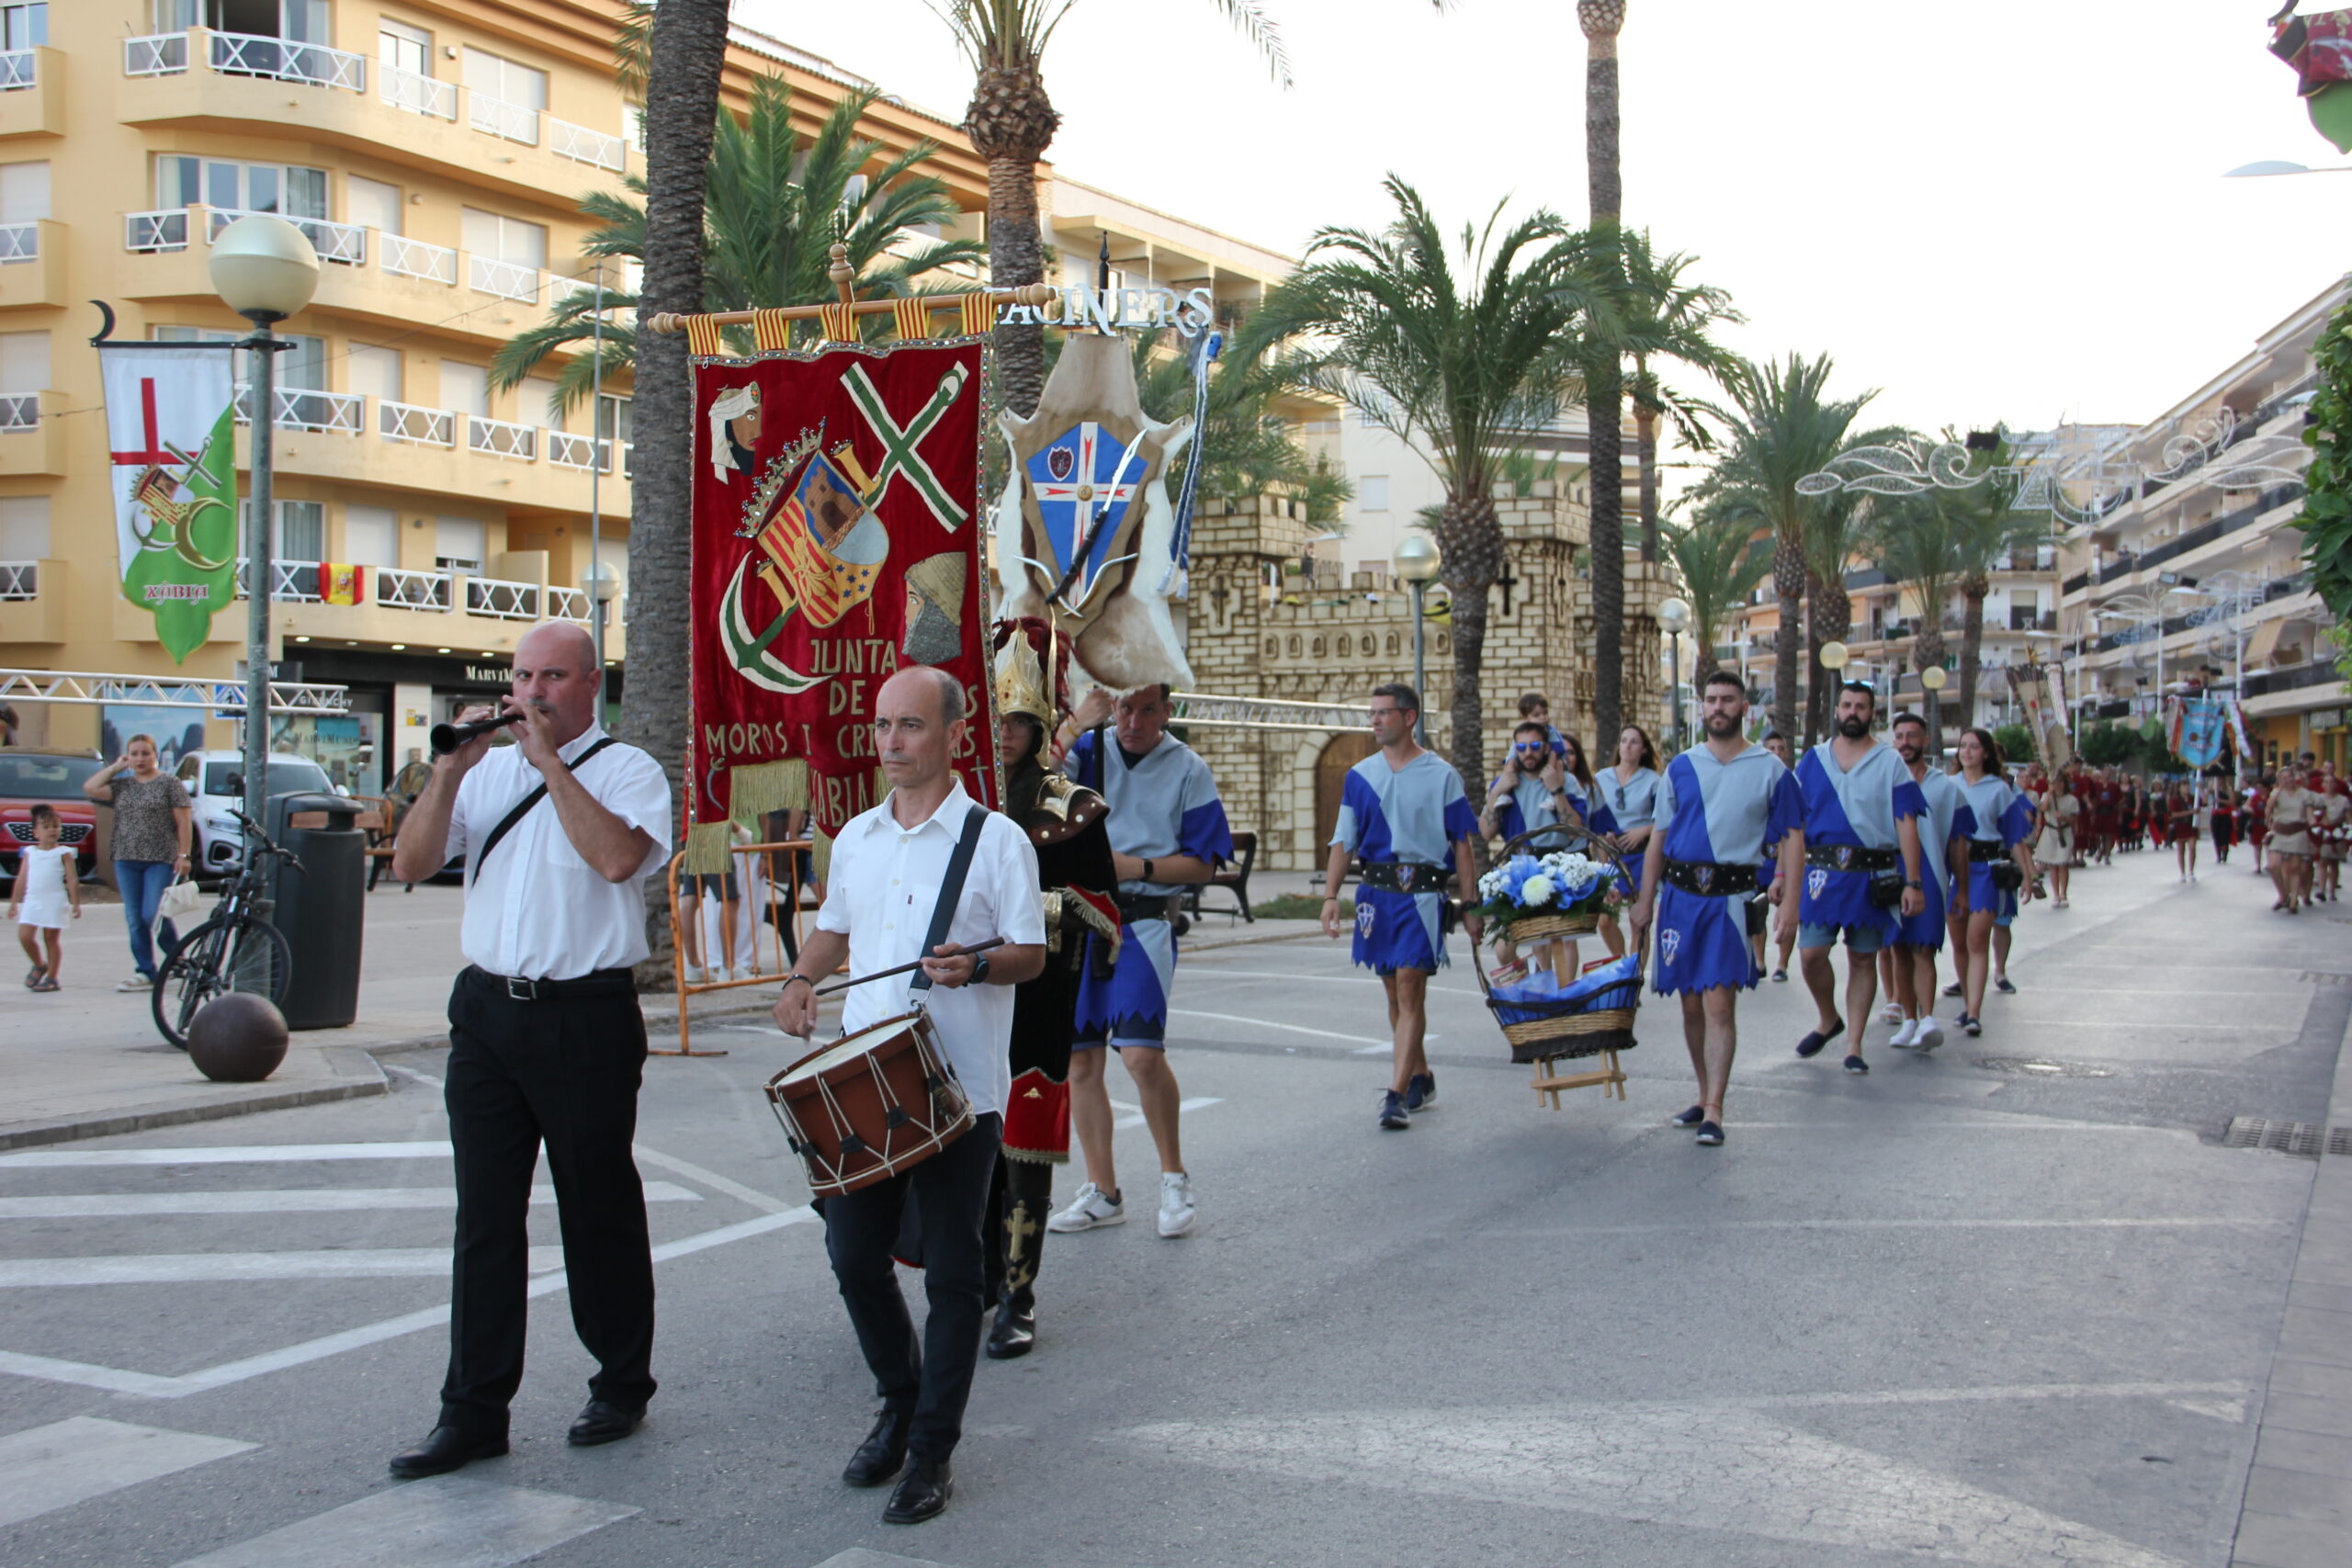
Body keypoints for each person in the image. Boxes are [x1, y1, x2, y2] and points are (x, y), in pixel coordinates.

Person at [384, 623, 674, 1482]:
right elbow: (411, 860)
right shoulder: (486, 768)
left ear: (591, 684)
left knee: (596, 1207)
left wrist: (551, 764)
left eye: (552, 675)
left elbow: (620, 858)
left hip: (582, 1015)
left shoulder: (628, 771)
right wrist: (446, 775)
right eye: (522, 676)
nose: (533, 692)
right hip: (486, 1012)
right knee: (483, 1218)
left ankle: (620, 1380)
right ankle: (473, 1410)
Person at [771, 666, 1046, 1524]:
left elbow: (1031, 955)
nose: (891, 743)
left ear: (954, 734)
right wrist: (800, 978)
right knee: (854, 1255)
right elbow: (832, 928)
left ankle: (931, 1450)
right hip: (863, 1079)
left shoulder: (998, 840)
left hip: (958, 1088)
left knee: (957, 1275)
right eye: (884, 726)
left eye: (911, 726)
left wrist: (977, 962)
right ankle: (899, 1396)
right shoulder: (856, 837)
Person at [1051, 685, 1231, 1240]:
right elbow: (1038, 772)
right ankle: (1103, 1191)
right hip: (1078, 922)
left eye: (1147, 709)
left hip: (1142, 924)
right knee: (1080, 1064)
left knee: (1141, 1057)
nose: (1133, 721)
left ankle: (1174, 1176)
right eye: (1125, 708)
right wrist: (1078, 721)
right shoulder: (1088, 749)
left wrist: (1136, 867)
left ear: (1166, 711)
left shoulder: (1187, 767)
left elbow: (1203, 865)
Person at [982, 621, 1115, 1360]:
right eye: (994, 719)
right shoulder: (953, 802)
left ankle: (1018, 1292)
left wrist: (1034, 912)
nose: (1004, 733)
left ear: (1038, 724)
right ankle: (970, 1275)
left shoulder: (1071, 804)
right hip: (962, 995)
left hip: (1037, 993)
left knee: (1024, 1139)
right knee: (967, 1135)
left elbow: (1104, 901)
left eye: (1017, 721)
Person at [1627, 671, 1801, 1145]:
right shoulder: (1681, 767)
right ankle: (1704, 1095)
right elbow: (1658, 840)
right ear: (1701, 708)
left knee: (1719, 1002)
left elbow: (1793, 837)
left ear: (1745, 708)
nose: (1718, 707)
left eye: (1728, 699)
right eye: (1710, 699)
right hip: (1680, 899)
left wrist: (1792, 906)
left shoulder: (1771, 769)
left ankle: (1717, 1109)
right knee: (1690, 1004)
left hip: (1730, 899)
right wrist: (1644, 902)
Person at [1320, 682, 1483, 1131]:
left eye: (1383, 713)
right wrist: (1331, 897)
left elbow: (1462, 845)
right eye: (1372, 713)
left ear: (1409, 718)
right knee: (1394, 990)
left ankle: (1394, 1095)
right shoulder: (1360, 776)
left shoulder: (1442, 775)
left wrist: (1470, 904)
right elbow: (1343, 842)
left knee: (1411, 986)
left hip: (1423, 897)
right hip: (1376, 897)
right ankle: (1421, 1075)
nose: (1374, 720)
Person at [1791, 682, 1927, 1075]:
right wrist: (1784, 874)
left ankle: (1854, 1045)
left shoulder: (1889, 762)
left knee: (1862, 959)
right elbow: (1795, 824)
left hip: (1870, 873)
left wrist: (1913, 882)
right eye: (1847, 705)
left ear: (1872, 713)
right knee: (1811, 954)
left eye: (1861, 707)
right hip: (1821, 875)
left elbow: (1906, 824)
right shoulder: (1813, 760)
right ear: (1837, 710)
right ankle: (1828, 1018)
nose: (1853, 712)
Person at [1884, 713, 1971, 1053]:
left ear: (1925, 741)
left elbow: (1958, 842)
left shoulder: (1946, 788)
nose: (1905, 742)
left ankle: (1929, 1017)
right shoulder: (1886, 783)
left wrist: (1962, 887)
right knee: (1898, 949)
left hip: (1931, 878)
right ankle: (1908, 1019)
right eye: (1899, 736)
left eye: (1912, 736)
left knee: (1923, 948)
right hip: (1891, 876)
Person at [82, 733, 192, 991]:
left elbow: (183, 821)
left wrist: (184, 855)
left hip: (160, 859)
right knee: (135, 918)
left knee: (153, 912)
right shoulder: (124, 785)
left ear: (155, 755)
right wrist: (116, 768)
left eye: (145, 753)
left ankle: (178, 959)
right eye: (134, 754)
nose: (140, 758)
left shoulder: (170, 784)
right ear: (127, 756)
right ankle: (146, 971)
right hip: (126, 859)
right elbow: (90, 787)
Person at [1479, 718, 1587, 980]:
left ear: (1547, 748)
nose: (1528, 752)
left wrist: (1556, 789)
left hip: (1555, 865)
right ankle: (1529, 989)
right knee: (1504, 949)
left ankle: (1559, 996)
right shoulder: (1506, 782)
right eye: (1522, 747)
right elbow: (1485, 831)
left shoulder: (1567, 781)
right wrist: (1496, 794)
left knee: (1556, 942)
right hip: (1520, 865)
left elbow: (1575, 829)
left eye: (1535, 746)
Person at [1949, 729, 2037, 1039]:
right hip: (1955, 870)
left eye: (1974, 746)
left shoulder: (1999, 789)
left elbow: (2014, 836)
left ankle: (1974, 1011)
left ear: (1985, 753)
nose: (1967, 751)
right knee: (1958, 942)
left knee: (1977, 939)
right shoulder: (1949, 786)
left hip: (1986, 869)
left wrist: (2028, 875)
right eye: (1963, 746)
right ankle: (1966, 1002)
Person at [10, 804, 80, 991]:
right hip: (33, 900)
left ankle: (52, 978)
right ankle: (39, 964)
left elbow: (72, 880)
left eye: (56, 826)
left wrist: (75, 903)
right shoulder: (30, 852)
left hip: (55, 901)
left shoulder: (64, 853)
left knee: (50, 938)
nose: (52, 831)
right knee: (25, 937)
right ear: (35, 832)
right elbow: (22, 878)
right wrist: (14, 902)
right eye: (46, 827)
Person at [1760, 731, 1798, 982]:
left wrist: (1782, 872)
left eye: (1780, 748)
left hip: (1783, 858)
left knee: (1785, 911)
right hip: (1760, 858)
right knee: (1757, 910)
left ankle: (1782, 963)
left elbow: (1793, 831)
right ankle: (1759, 960)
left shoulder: (1792, 782)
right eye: (1770, 748)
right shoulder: (1756, 780)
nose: (1776, 752)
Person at [2267, 762, 2315, 913]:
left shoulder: (2304, 793)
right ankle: (2283, 894)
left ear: (2294, 777)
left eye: (2290, 776)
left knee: (2295, 868)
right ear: (2280, 780)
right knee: (2273, 866)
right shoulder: (2276, 793)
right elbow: (2268, 809)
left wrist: (2313, 822)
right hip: (2281, 831)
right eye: (2284, 778)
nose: (2288, 780)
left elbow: (2309, 812)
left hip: (2297, 831)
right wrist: (2276, 793)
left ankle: (2294, 901)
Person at [2034, 766, 2079, 908]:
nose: (2058, 785)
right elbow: (2043, 808)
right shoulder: (2047, 796)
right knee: (2053, 864)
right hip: (2050, 832)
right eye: (2055, 783)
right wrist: (2049, 793)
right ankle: (2055, 894)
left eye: (2061, 782)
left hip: (2064, 833)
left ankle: (2063, 893)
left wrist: (2064, 817)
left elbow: (2074, 820)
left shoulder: (2071, 799)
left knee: (2063, 863)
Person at [2316, 762, 2346, 902]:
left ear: (2336, 784)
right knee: (2322, 862)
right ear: (2323, 784)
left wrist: (2347, 833)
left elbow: (2349, 818)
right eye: (2326, 782)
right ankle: (2321, 889)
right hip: (2323, 832)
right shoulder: (2319, 798)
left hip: (2337, 832)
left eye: (2332, 782)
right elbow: (2317, 815)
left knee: (2334, 863)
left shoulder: (2343, 800)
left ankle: (2332, 891)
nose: (2329, 784)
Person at [2170, 780, 2200, 883]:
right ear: (2179, 788)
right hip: (2180, 826)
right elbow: (2174, 814)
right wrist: (2189, 812)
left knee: (2192, 848)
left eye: (2187, 785)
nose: (2186, 787)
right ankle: (2182, 872)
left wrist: (2201, 789)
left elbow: (2204, 802)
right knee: (2181, 850)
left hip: (2191, 827)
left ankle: (2191, 871)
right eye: (2184, 785)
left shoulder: (2193, 798)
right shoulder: (2175, 800)